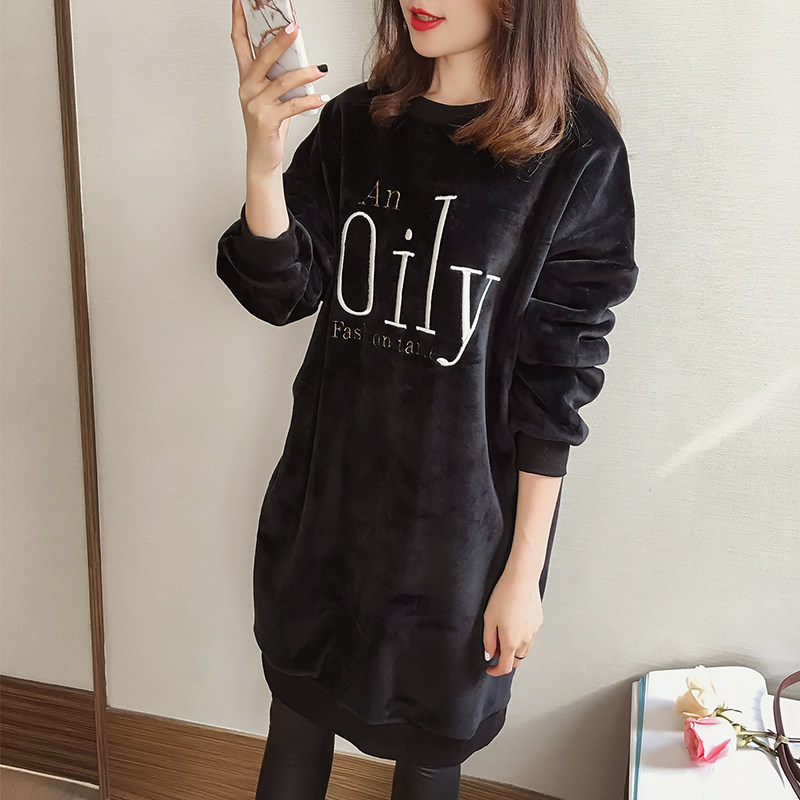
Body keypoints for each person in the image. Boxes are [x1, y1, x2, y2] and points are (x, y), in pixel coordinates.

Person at [219, 0, 639, 797]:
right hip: (324, 518)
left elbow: (557, 384)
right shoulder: (359, 123)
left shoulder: (575, 155)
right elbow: (282, 293)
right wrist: (263, 165)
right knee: (295, 723)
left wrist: (523, 574)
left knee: (432, 752)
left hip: (458, 554)